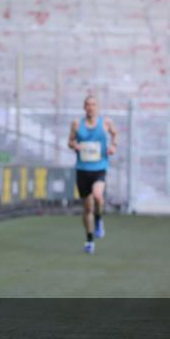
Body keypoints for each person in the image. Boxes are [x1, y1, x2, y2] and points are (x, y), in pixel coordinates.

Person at [67, 95, 117, 255]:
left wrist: (113, 146)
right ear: (84, 107)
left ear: (97, 107)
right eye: (88, 105)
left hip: (99, 168)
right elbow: (70, 142)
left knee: (98, 196)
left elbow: (115, 134)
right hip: (82, 170)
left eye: (93, 104)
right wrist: (74, 145)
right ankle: (89, 240)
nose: (90, 107)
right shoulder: (77, 124)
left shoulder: (105, 123)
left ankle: (99, 219)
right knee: (87, 208)